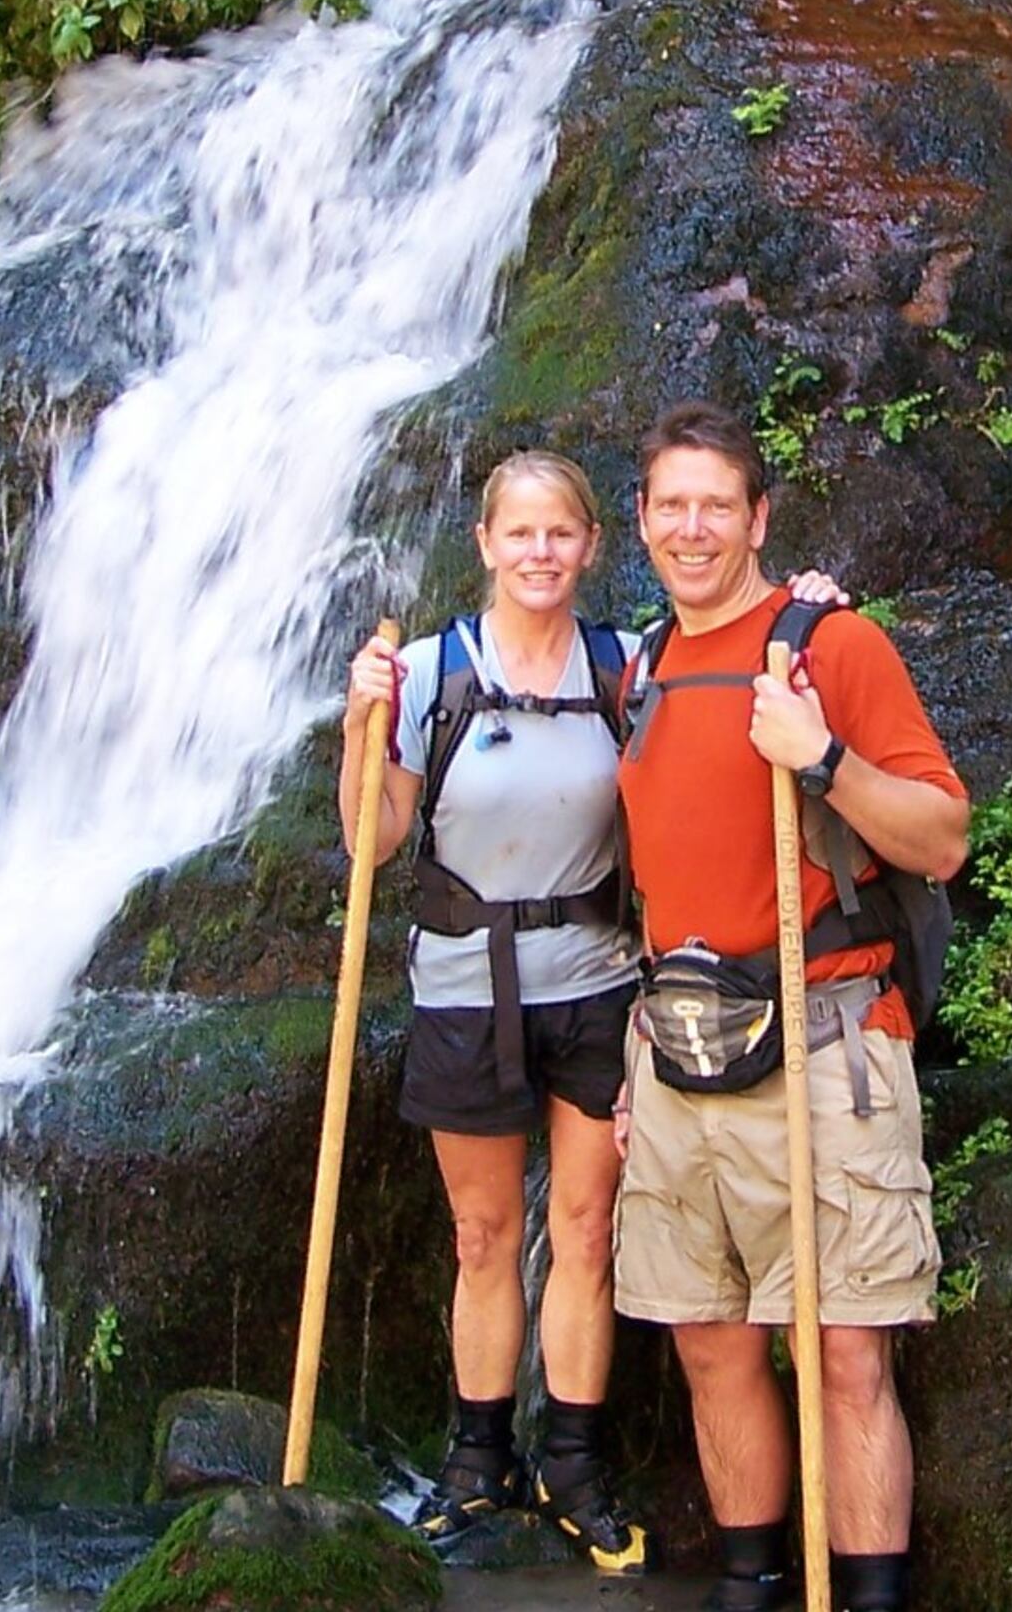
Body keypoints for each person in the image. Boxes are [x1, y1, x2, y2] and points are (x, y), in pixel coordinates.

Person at [610, 400, 968, 1612]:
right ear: (643, 524)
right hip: (674, 1059)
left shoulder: (831, 649)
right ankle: (753, 1586)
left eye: (719, 503)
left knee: (845, 1352)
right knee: (710, 1344)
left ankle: (865, 1595)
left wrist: (820, 758)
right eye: (672, 506)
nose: (694, 527)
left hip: (824, 1049)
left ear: (758, 517)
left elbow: (943, 836)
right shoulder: (638, 670)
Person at [343, 450, 652, 1571]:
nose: (538, 553)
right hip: (467, 986)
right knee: (480, 1236)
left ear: (589, 547)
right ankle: (479, 1459)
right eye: (518, 534)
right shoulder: (429, 673)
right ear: (483, 543)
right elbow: (372, 843)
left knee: (583, 1232)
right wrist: (359, 730)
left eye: (559, 534)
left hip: (598, 985)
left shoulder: (623, 667)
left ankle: (572, 1458)